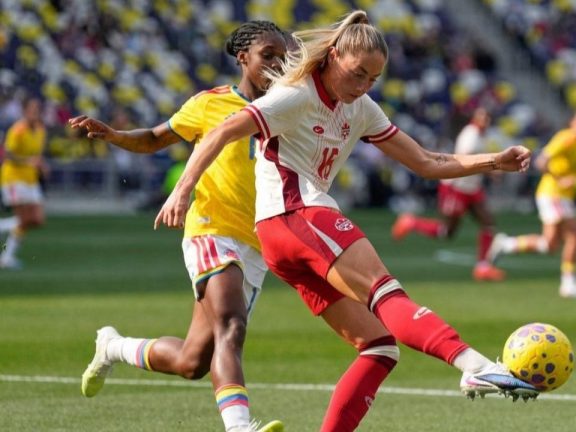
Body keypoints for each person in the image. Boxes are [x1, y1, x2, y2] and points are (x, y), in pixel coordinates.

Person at [157, 11, 538, 432]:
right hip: (297, 215)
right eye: (358, 74)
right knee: (386, 293)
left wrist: (493, 161)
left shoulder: (361, 107)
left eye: (373, 79)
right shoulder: (296, 94)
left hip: (283, 239)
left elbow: (427, 162)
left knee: (378, 347)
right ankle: (474, 365)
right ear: (334, 56)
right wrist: (181, 189)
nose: (363, 87)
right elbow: (221, 131)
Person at [68, 21, 287, 432]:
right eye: (268, 55)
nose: (278, 63)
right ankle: (240, 427)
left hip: (258, 241)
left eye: (284, 56)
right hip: (211, 227)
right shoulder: (211, 104)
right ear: (243, 58)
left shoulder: (291, 106)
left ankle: (113, 346)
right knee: (232, 324)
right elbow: (155, 138)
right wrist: (114, 134)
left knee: (193, 361)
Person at [487, 110, 576, 299]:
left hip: (565, 196)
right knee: (575, 236)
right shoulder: (566, 138)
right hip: (552, 192)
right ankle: (568, 284)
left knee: (549, 245)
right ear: (572, 123)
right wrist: (560, 179)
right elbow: (541, 161)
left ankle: (506, 244)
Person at [391, 107, 506, 282]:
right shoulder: (470, 135)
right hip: (457, 187)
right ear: (474, 119)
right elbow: (467, 158)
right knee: (447, 231)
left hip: (472, 187)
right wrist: (492, 170)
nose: (486, 120)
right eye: (482, 117)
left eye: (488, 117)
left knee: (488, 223)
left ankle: (483, 267)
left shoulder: (483, 135)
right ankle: (411, 222)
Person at [0, 96, 48, 269]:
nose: (36, 112)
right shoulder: (18, 130)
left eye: (38, 108)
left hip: (30, 178)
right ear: (25, 111)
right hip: (14, 177)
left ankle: (6, 254)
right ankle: (7, 257)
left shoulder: (41, 129)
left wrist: (41, 165)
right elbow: (8, 154)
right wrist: (28, 161)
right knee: (24, 219)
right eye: (32, 109)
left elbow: (37, 155)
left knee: (37, 219)